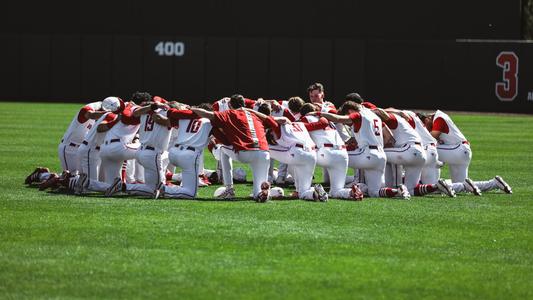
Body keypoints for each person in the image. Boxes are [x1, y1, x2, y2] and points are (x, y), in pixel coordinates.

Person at [317, 101, 410, 199]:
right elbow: (385, 135)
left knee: (338, 156)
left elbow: (338, 118)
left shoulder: (358, 114)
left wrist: (319, 114)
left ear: (350, 111)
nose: (350, 125)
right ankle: (398, 191)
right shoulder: (374, 115)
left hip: (366, 154)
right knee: (374, 192)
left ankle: (338, 189)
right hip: (380, 156)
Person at [191, 94, 272, 202]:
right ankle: (262, 193)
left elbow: (207, 114)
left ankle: (229, 188)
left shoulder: (229, 113)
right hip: (264, 153)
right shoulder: (255, 114)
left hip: (246, 152)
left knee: (223, 148)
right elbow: (272, 122)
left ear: (230, 105)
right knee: (257, 193)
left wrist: (192, 109)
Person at [418, 110, 512, 195]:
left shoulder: (439, 117)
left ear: (427, 120)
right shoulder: (435, 119)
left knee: (429, 150)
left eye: (424, 127)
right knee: (463, 186)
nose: (426, 130)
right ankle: (494, 183)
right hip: (460, 152)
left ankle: (431, 182)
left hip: (458, 150)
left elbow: (432, 137)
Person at [251, 103, 328, 201]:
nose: (274, 140)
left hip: (297, 153)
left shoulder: (276, 127)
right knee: (303, 192)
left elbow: (268, 119)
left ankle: (260, 189)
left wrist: (250, 111)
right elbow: (323, 123)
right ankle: (314, 193)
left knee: (264, 149)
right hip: (312, 155)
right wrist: (319, 114)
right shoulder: (300, 124)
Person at [373, 108, 456, 197]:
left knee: (382, 154)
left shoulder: (406, 117)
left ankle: (395, 186)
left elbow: (387, 112)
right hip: (430, 152)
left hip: (421, 150)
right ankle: (441, 186)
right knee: (412, 189)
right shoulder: (414, 117)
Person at [105, 96, 172, 197]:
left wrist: (153, 107)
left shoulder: (143, 112)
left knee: (151, 189)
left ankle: (123, 186)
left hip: (140, 150)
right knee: (158, 189)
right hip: (151, 153)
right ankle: (124, 185)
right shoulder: (165, 113)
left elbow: (136, 113)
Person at [299, 103, 363, 200]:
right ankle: (350, 192)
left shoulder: (306, 119)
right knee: (336, 191)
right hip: (342, 154)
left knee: (299, 156)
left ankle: (307, 191)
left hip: (326, 153)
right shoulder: (328, 121)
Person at [154, 103, 213, 199]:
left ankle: (168, 184)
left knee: (187, 184)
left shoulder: (184, 116)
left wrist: (155, 115)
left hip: (174, 153)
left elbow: (166, 120)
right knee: (190, 194)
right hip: (189, 155)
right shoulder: (210, 121)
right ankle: (163, 189)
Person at [74, 97, 122, 194]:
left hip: (90, 150)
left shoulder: (105, 115)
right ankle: (116, 187)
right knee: (91, 185)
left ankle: (68, 181)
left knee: (89, 184)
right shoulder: (110, 116)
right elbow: (100, 128)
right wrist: (116, 121)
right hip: (90, 150)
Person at [58, 100, 109, 173]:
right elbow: (91, 115)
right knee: (70, 176)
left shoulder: (101, 109)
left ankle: (46, 175)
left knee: (82, 177)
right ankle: (43, 175)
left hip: (82, 150)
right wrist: (111, 113)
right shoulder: (87, 109)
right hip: (69, 149)